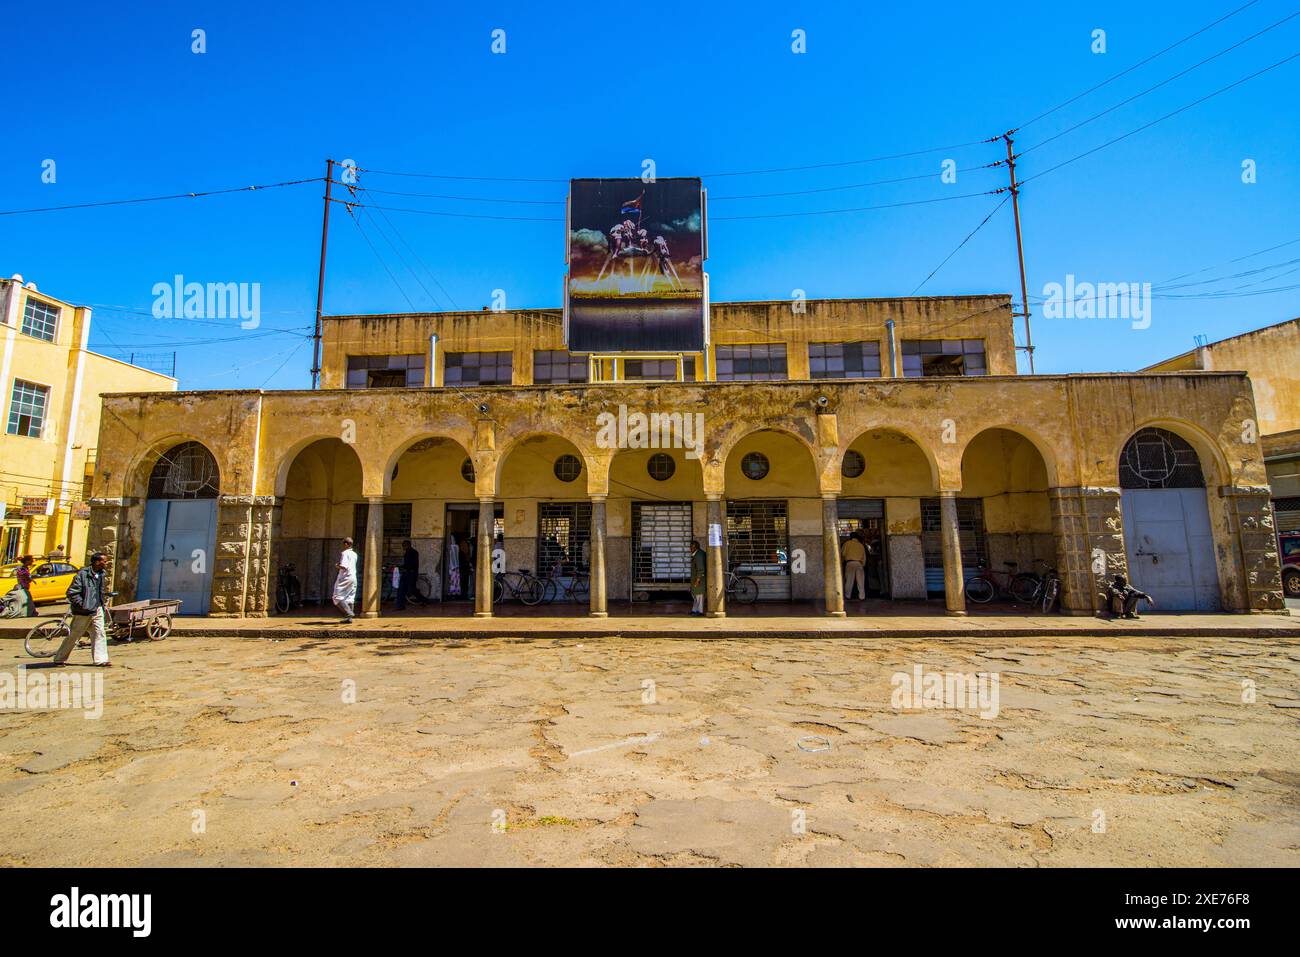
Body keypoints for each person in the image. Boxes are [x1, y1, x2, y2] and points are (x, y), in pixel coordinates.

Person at [53, 552, 112, 667]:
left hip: (97, 608)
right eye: (103, 561)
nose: (106, 563)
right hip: (83, 611)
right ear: (96, 562)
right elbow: (72, 593)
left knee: (99, 632)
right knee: (75, 634)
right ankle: (59, 658)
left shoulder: (101, 574)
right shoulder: (82, 575)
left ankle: (100, 660)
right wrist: (83, 605)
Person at [334, 537, 358, 624]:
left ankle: (349, 613)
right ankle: (349, 620)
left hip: (345, 577)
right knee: (350, 597)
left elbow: (344, 566)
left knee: (337, 597)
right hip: (353, 577)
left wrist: (337, 565)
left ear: (346, 544)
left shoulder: (345, 553)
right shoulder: (354, 554)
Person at [842, 531, 867, 600]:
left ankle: (848, 596)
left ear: (850, 537)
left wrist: (842, 562)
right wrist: (863, 565)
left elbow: (843, 554)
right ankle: (862, 597)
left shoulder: (846, 544)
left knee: (849, 581)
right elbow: (864, 557)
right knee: (861, 581)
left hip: (850, 563)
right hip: (859, 564)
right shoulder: (861, 545)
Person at [395, 539, 419, 610]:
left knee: (410, 589)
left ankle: (424, 600)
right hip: (408, 573)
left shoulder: (412, 553)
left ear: (408, 545)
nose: (403, 547)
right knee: (404, 589)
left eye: (404, 546)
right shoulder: (409, 553)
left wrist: (404, 567)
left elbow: (412, 564)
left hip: (410, 573)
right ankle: (400, 605)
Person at [689, 540, 706, 615]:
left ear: (695, 547)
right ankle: (694, 610)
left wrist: (698, 580)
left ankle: (700, 611)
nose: (690, 549)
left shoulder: (698, 555)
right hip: (695, 578)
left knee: (699, 596)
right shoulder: (697, 554)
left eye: (691, 547)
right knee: (695, 596)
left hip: (699, 579)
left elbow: (700, 569)